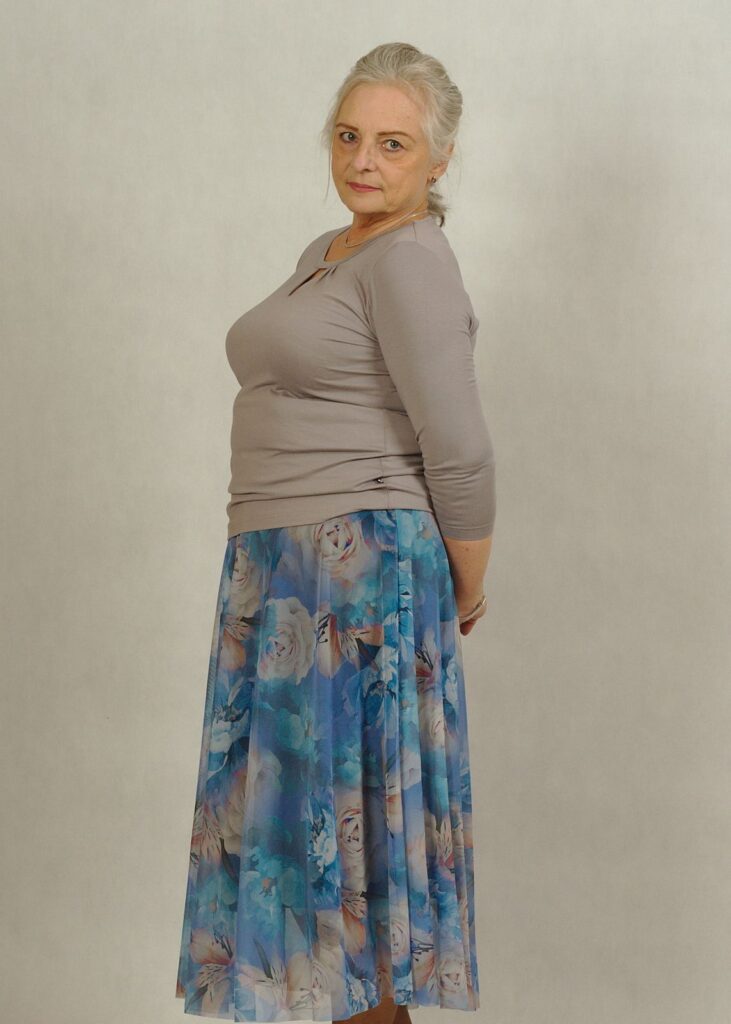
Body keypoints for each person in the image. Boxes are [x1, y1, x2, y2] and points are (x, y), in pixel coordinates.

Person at [175, 41, 496, 1024]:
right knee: (312, 885)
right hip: (282, 571)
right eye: (349, 136)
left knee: (353, 887)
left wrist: (464, 584)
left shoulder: (409, 258)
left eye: (392, 143)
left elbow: (457, 443)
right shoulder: (333, 250)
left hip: (353, 577)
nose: (362, 160)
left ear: (437, 158)